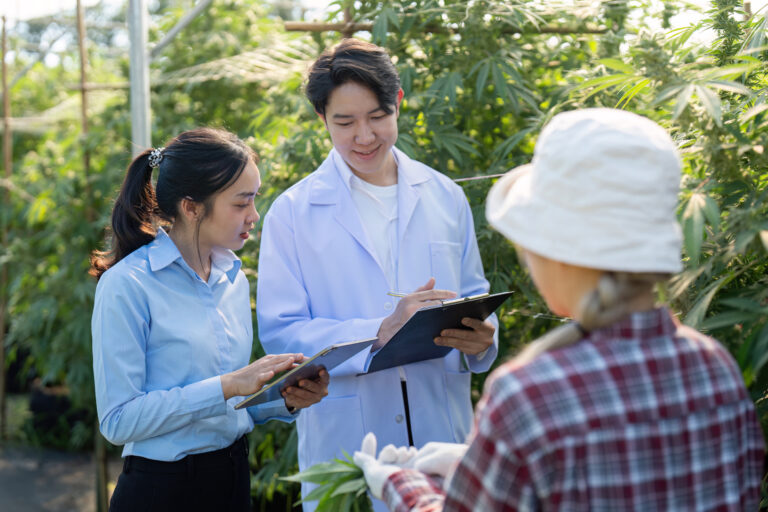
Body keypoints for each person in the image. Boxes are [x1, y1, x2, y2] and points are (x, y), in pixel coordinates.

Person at [353, 108, 766, 511]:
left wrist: (402, 485)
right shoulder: (714, 366)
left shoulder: (529, 397)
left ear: (563, 252)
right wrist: (485, 466)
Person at [256, 39, 498, 511]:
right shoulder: (292, 213)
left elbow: (476, 295)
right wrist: (379, 330)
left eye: (377, 116)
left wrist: (485, 341)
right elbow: (282, 335)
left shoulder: (445, 196)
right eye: (344, 122)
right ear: (320, 118)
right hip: (347, 441)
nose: (364, 136)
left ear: (399, 102)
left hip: (441, 437)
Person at [90, 128, 329, 512]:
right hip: (162, 493)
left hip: (232, 479)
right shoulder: (127, 285)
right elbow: (119, 421)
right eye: (241, 203)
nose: (254, 215)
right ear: (191, 207)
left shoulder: (232, 278)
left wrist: (285, 399)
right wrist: (228, 384)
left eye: (255, 200)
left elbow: (233, 404)